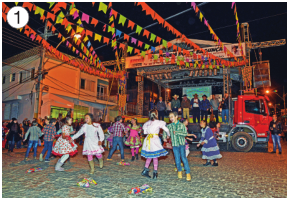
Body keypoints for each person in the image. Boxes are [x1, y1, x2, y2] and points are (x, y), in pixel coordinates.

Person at [141, 110, 170, 179]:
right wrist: (168, 135)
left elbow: (145, 132)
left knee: (150, 155)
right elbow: (166, 129)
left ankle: (145, 170)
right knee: (155, 156)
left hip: (148, 139)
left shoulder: (147, 123)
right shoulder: (158, 122)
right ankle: (155, 173)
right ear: (156, 115)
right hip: (154, 139)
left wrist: (150, 130)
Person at [165, 112, 192, 181]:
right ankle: (179, 171)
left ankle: (187, 173)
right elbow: (165, 132)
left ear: (176, 116)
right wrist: (165, 137)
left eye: (172, 117)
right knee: (177, 159)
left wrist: (177, 132)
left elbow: (185, 133)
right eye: (170, 117)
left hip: (181, 144)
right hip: (174, 145)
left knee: (183, 158)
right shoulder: (169, 126)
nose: (171, 118)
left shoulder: (182, 125)